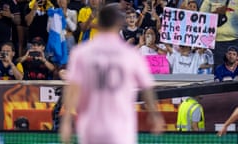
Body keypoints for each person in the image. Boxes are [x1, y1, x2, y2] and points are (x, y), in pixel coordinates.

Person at [60, 3, 165, 144]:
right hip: (121, 129)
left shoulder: (81, 53)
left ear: (99, 24)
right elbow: (147, 88)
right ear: (119, 24)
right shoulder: (130, 54)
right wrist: (154, 115)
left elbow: (72, 89)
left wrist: (66, 120)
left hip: (90, 128)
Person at [200, 0, 238, 70]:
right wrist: (216, 13)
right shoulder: (208, 1)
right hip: (214, 43)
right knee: (217, 73)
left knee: (233, 73)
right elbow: (201, 19)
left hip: (234, 41)